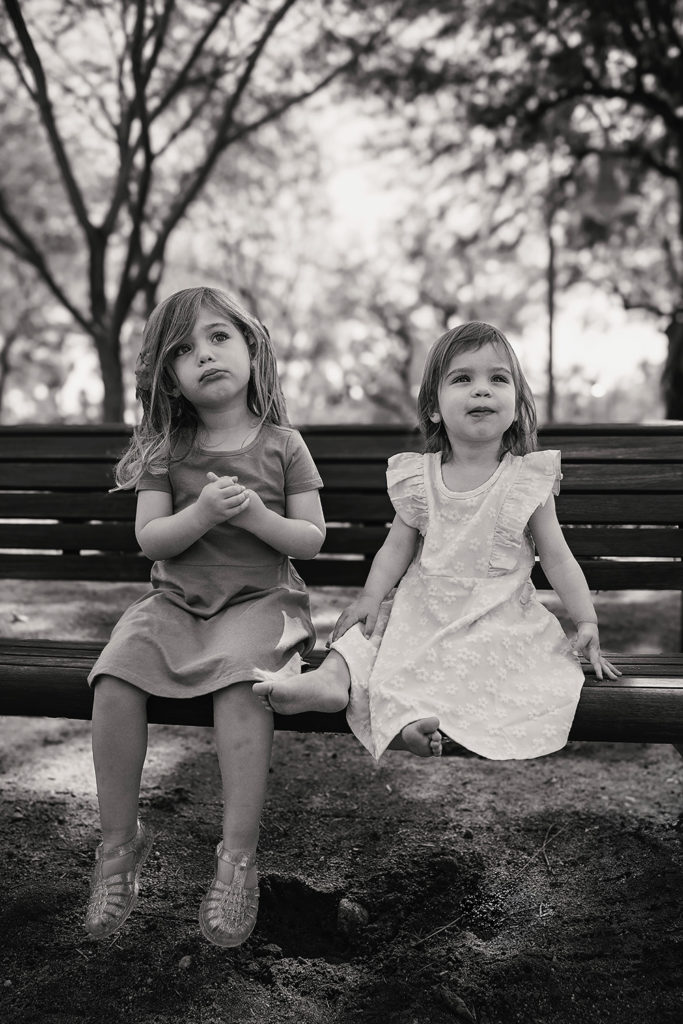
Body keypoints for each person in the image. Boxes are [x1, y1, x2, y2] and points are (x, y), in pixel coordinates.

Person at [253, 321, 620, 762]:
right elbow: (396, 547)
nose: (481, 390)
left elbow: (557, 558)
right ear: (434, 408)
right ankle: (331, 680)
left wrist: (586, 620)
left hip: (494, 615)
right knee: (369, 633)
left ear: (518, 405)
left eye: (497, 379)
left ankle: (411, 726)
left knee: (479, 661)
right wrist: (371, 596)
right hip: (423, 605)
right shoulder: (419, 477)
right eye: (463, 379)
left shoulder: (527, 479)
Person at [84, 287, 325, 947]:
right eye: (184, 350)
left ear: (251, 346)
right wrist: (202, 514)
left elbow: (309, 539)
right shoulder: (167, 448)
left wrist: (252, 515)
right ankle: (117, 846)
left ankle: (237, 858)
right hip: (175, 604)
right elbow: (152, 540)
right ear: (170, 378)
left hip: (262, 603)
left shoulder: (282, 444)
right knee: (111, 680)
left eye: (219, 337)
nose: (205, 355)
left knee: (244, 685)